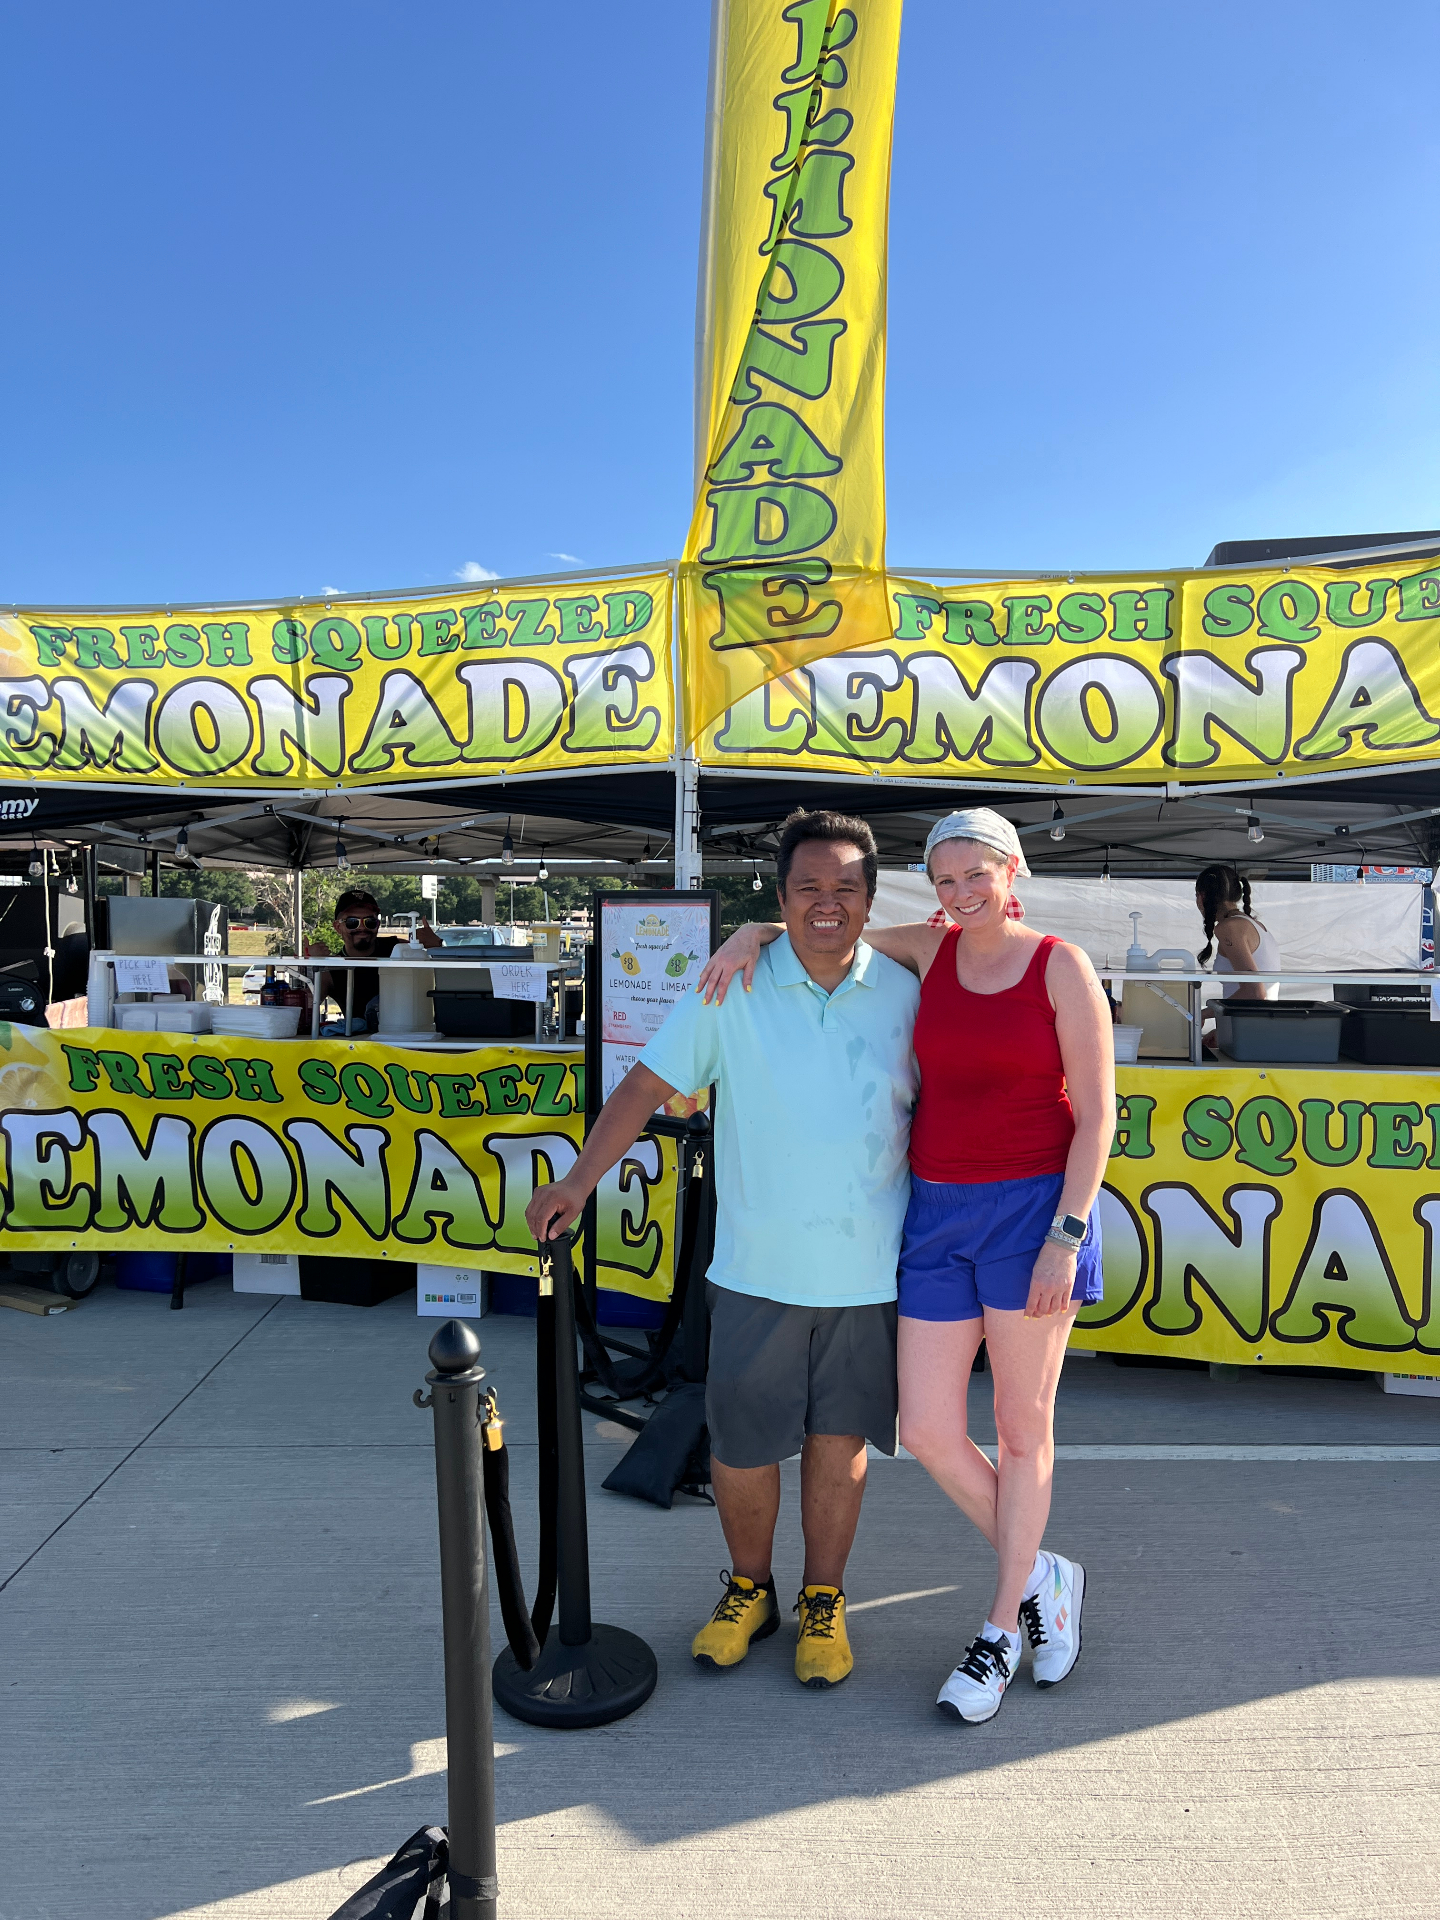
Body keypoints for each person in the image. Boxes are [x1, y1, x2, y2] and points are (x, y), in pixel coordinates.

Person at [698, 806, 1114, 1724]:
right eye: (946, 878)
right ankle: (1045, 1569)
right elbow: (821, 920)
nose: (963, 893)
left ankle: (1005, 1623)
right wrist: (745, 930)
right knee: (923, 1427)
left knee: (1018, 1427)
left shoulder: (1060, 965)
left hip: (1034, 1213)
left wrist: (1068, 1231)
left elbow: (1098, 1117)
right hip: (933, 1213)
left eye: (979, 874)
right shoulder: (929, 953)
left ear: (1014, 873)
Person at [524, 809, 920, 1690]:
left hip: (866, 1273)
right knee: (740, 1447)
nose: (828, 903)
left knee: (839, 1441)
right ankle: (751, 1587)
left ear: (870, 898)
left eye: (845, 888)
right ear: (779, 896)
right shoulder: (728, 987)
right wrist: (578, 1181)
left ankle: (826, 1598)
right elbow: (644, 1085)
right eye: (806, 888)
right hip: (754, 1271)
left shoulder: (908, 989)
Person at [307, 888, 440, 1032]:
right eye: (352, 922)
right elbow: (306, 1009)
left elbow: (444, 979)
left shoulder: (400, 949)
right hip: (360, 1046)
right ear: (338, 927)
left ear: (378, 924)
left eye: (370, 921)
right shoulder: (331, 968)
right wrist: (310, 963)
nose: (362, 928)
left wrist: (437, 945)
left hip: (410, 1038)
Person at [1194, 864, 1278, 1049]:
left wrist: (1204, 1013)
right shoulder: (1255, 925)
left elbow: (1255, 992)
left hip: (1250, 1032)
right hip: (1255, 1027)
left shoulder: (1229, 927)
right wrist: (1222, 1029)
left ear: (1201, 896)